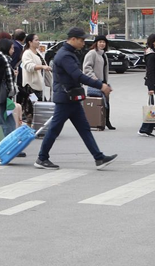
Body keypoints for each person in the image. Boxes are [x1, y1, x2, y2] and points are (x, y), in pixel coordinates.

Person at [34, 27, 117, 170]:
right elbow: (78, 76)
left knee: (84, 129)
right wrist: (100, 85)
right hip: (65, 98)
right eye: (81, 40)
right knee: (54, 129)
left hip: (71, 97)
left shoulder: (69, 53)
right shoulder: (65, 55)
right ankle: (42, 158)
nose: (83, 43)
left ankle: (99, 157)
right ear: (72, 39)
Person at [83, 35, 115, 130]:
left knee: (106, 103)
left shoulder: (103, 54)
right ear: (96, 43)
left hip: (104, 82)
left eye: (104, 42)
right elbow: (87, 68)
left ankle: (106, 121)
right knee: (98, 104)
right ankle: (96, 121)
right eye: (100, 42)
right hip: (95, 83)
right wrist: (95, 79)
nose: (102, 44)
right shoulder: (92, 53)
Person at [19, 34, 51, 128]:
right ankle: (28, 129)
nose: (38, 42)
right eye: (36, 40)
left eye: (38, 40)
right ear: (30, 42)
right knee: (31, 109)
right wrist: (42, 67)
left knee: (38, 108)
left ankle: (36, 128)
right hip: (30, 86)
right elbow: (29, 66)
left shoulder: (37, 52)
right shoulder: (27, 53)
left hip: (38, 85)